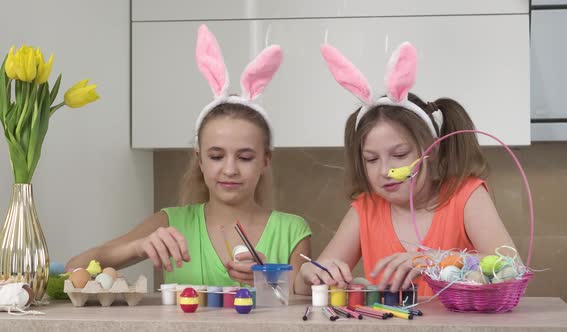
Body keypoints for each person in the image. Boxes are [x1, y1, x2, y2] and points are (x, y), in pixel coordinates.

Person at [67, 25, 311, 291]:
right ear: (200, 160)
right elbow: (74, 268)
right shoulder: (170, 223)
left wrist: (270, 278)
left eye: (245, 157)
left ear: (265, 160)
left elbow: (303, 303)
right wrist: (137, 247)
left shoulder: (292, 230)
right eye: (216, 156)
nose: (230, 169)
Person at [295, 41, 516, 296]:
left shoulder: (465, 196)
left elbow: (512, 268)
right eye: (371, 159)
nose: (384, 170)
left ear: (431, 152)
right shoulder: (366, 209)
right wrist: (308, 275)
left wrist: (436, 260)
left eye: (399, 155)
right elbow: (304, 289)